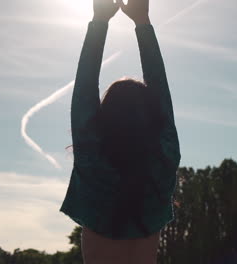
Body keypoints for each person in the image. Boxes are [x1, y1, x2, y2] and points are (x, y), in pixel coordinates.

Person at [59, 0, 181, 263]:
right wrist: (142, 22)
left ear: (104, 116)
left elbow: (84, 87)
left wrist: (100, 22)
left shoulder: (91, 154)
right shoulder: (164, 156)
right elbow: (160, 89)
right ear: (152, 118)